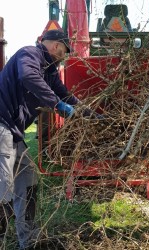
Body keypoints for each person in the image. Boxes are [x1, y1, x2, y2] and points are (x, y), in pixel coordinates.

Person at [0, 29, 86, 249]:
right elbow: (28, 77)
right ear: (57, 45)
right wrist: (57, 105)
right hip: (1, 126)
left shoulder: (50, 71)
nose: (65, 56)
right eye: (65, 51)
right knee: (4, 189)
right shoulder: (30, 54)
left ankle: (28, 242)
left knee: (28, 180)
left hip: (14, 132)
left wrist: (87, 113)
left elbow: (64, 93)